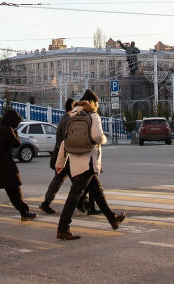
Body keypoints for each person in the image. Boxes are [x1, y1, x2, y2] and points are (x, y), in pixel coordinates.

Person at [55, 89, 125, 240]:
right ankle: (62, 228)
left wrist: (60, 162)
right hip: (88, 161)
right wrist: (104, 139)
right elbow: (97, 136)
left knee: (97, 191)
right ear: (93, 103)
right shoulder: (93, 115)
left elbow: (64, 142)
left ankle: (112, 218)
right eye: (97, 103)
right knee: (74, 195)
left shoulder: (72, 114)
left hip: (75, 161)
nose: (98, 106)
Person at [38, 98, 75, 214]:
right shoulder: (68, 119)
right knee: (78, 182)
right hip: (65, 156)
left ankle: (46, 203)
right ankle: (85, 203)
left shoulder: (65, 118)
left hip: (62, 155)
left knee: (59, 180)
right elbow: (68, 139)